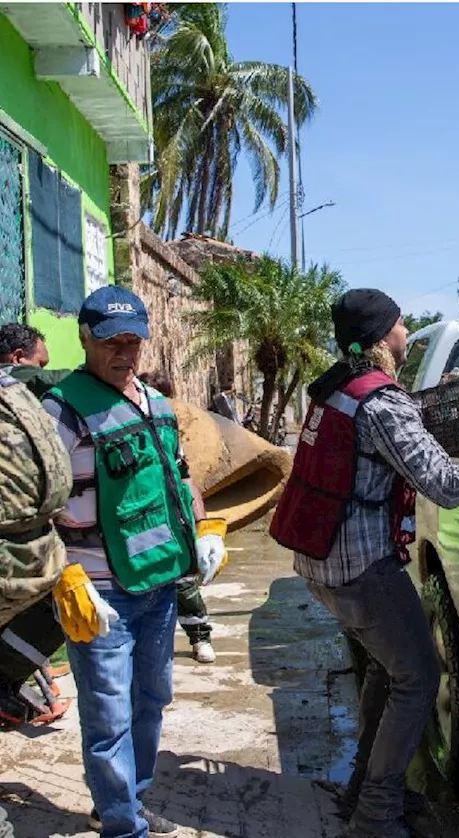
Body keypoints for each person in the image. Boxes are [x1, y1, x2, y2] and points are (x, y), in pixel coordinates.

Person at [269, 288, 459, 838]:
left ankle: (363, 788)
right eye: (402, 325)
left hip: (321, 564)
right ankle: (376, 815)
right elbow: (448, 485)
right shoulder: (382, 404)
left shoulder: (336, 389)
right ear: (384, 337)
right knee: (421, 677)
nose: (408, 332)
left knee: (390, 668)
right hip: (361, 570)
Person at [43, 286, 227, 838]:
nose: (124, 353)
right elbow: (31, 506)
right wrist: (64, 573)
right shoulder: (61, 412)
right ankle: (124, 828)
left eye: (133, 341)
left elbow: (179, 474)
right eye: (111, 342)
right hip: (100, 593)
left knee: (152, 702)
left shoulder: (157, 403)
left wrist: (203, 526)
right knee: (108, 718)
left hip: (161, 585)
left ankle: (127, 801)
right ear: (84, 339)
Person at [0, 323, 74, 728]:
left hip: (32, 541)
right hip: (15, 549)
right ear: (16, 358)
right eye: (40, 361)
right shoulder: (19, 387)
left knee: (62, 603)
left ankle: (9, 676)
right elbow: (46, 376)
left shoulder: (15, 399)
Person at [137, 371, 217, 665]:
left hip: (174, 522)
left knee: (184, 583)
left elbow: (185, 477)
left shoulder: (168, 432)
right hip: (142, 526)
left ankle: (200, 638)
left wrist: (205, 527)